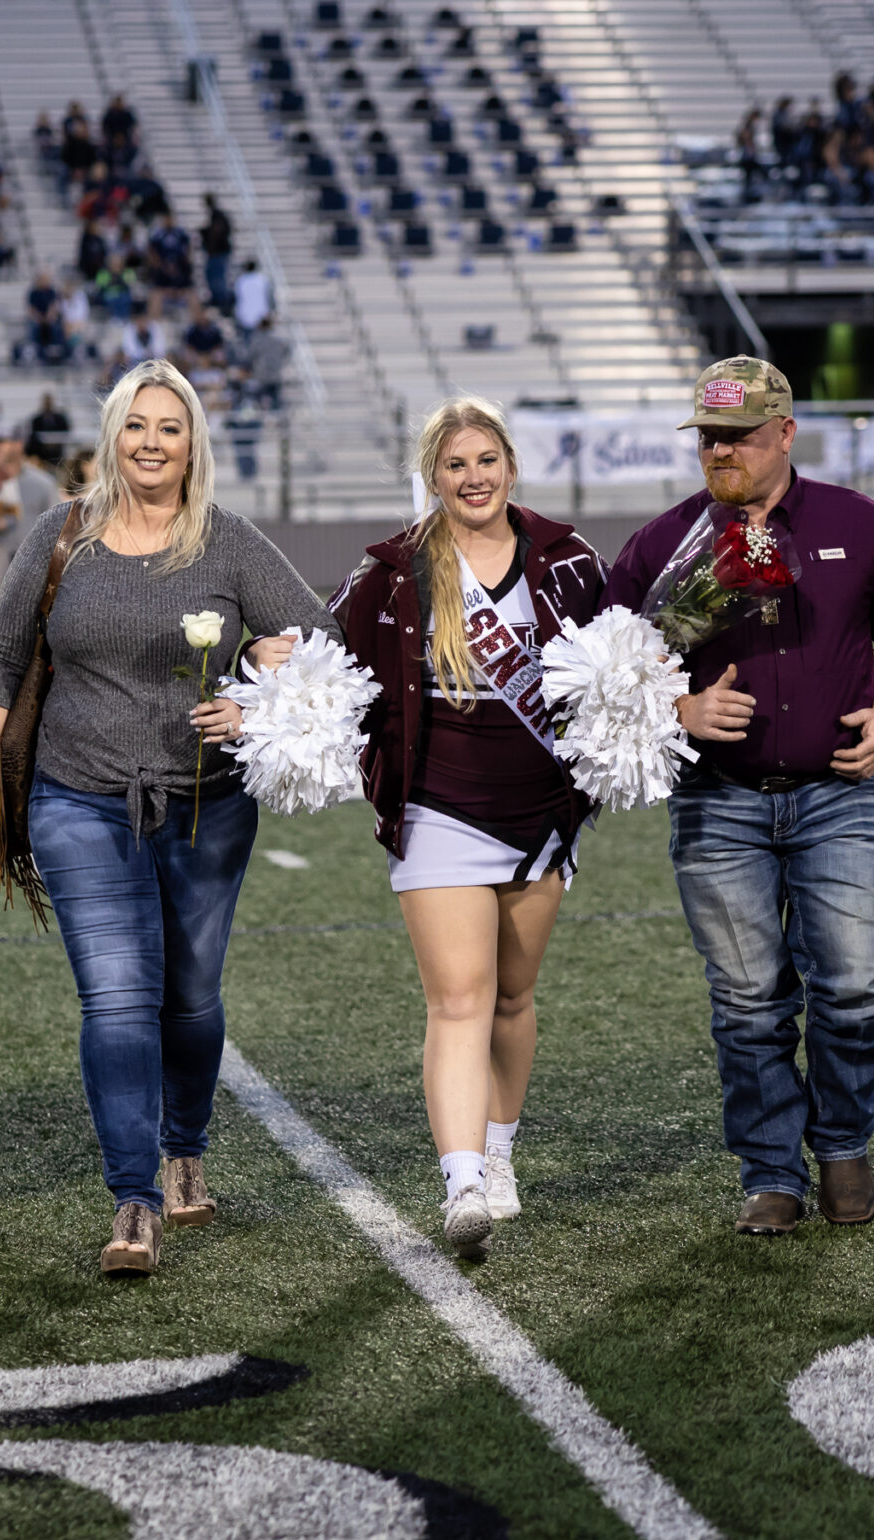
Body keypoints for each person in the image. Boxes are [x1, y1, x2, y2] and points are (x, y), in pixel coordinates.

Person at [0, 361, 325, 1276]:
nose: (152, 442)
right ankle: (134, 1196)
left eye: (171, 427)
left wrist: (260, 694)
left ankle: (183, 1144)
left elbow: (322, 640)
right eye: (136, 425)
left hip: (208, 807)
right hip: (78, 797)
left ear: (194, 442)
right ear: (112, 434)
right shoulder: (61, 532)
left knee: (188, 996)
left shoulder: (227, 542)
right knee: (115, 997)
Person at [602, 357, 874, 1236]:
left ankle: (842, 1145)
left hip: (838, 793)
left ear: (785, 434)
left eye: (741, 437)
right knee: (749, 1001)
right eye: (709, 437)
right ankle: (769, 1172)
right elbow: (601, 676)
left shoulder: (855, 523)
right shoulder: (661, 545)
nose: (722, 452)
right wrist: (678, 706)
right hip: (718, 800)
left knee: (860, 983)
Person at [329, 399, 603, 1254]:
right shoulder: (396, 569)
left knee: (514, 997)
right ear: (432, 476)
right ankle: (461, 1184)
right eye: (455, 465)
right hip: (438, 807)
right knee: (458, 1001)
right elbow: (328, 653)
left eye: (487, 460)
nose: (473, 477)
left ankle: (499, 1148)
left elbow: (621, 659)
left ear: (511, 467)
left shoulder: (568, 560)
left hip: (539, 813)